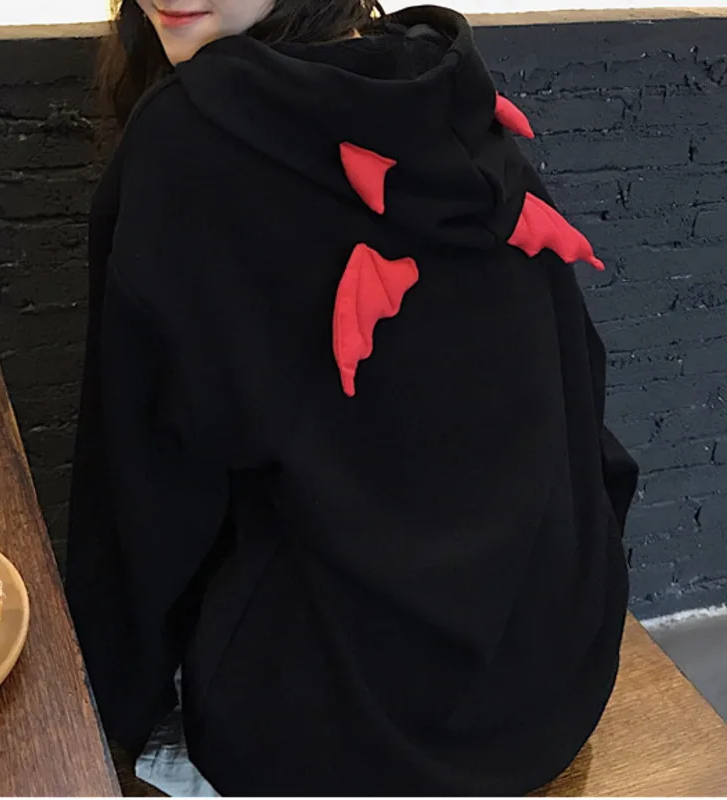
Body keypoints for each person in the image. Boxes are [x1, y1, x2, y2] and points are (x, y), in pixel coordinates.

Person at [65, 1, 639, 795]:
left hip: (349, 741)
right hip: (554, 683)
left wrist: (113, 707)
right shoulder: (441, 84)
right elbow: (580, 381)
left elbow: (144, 486)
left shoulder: (186, 138)